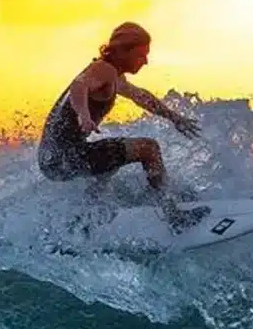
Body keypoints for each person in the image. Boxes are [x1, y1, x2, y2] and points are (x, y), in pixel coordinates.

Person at [37, 21, 211, 231]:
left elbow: (140, 97)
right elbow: (79, 85)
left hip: (53, 160)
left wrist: (174, 118)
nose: (145, 61)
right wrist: (83, 114)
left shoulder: (112, 75)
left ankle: (84, 224)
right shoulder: (103, 69)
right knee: (148, 149)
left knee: (112, 161)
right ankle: (173, 215)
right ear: (122, 51)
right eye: (141, 55)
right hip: (64, 157)